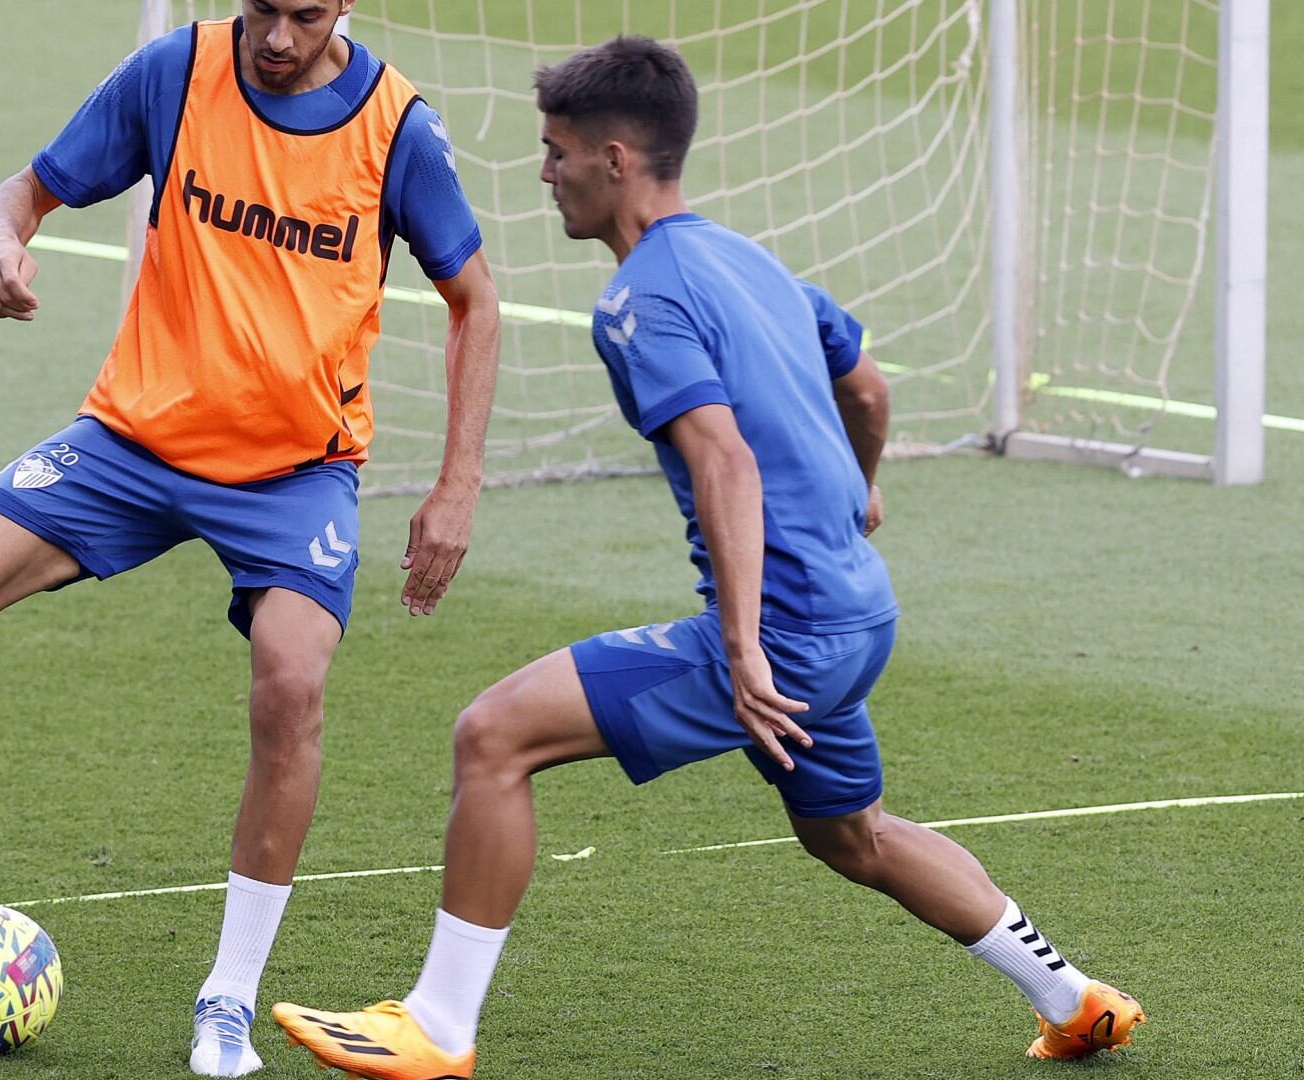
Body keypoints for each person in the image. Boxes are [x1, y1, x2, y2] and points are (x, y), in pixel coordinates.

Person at [273, 37, 1143, 1078]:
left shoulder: (640, 302)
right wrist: (861, 487)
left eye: (555, 152)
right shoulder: (749, 258)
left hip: (783, 636)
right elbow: (866, 388)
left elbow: (724, 459)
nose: (544, 172)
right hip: (860, 613)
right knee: (852, 836)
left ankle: (438, 1027)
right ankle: (1072, 997)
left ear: (614, 159)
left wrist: (741, 647)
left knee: (493, 737)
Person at [0, 1, 500, 1074]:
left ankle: (228, 998)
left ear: (342, 6)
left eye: (303, 15)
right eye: (261, 10)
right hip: (133, 441)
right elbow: (23, 190)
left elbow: (475, 299)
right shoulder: (174, 71)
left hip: (295, 474)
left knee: (291, 686)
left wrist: (458, 484)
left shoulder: (398, 129)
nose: (278, 37)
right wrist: (2, 242)